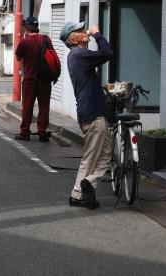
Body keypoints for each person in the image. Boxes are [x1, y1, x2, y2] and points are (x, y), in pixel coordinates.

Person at [59, 21, 113, 210]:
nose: (85, 31)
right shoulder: (79, 54)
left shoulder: (76, 56)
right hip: (92, 113)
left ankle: (87, 184)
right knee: (91, 157)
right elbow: (107, 53)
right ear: (73, 39)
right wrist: (97, 34)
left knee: (105, 154)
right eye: (80, 31)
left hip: (92, 111)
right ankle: (78, 192)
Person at [14, 15, 54, 142]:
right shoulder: (46, 39)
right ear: (37, 28)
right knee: (44, 106)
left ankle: (25, 132)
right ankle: (42, 132)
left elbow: (18, 57)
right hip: (45, 80)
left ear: (27, 29)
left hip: (30, 80)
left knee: (27, 106)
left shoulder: (25, 42)